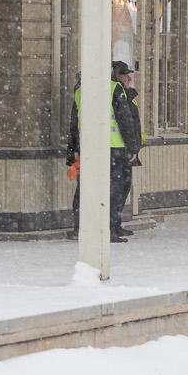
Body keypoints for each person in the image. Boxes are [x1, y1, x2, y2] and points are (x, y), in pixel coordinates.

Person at [65, 59, 142, 243]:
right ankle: (109, 229)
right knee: (114, 190)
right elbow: (125, 120)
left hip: (88, 149)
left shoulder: (80, 91)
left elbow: (74, 124)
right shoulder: (114, 88)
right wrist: (132, 147)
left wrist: (73, 150)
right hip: (113, 148)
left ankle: (84, 226)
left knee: (86, 189)